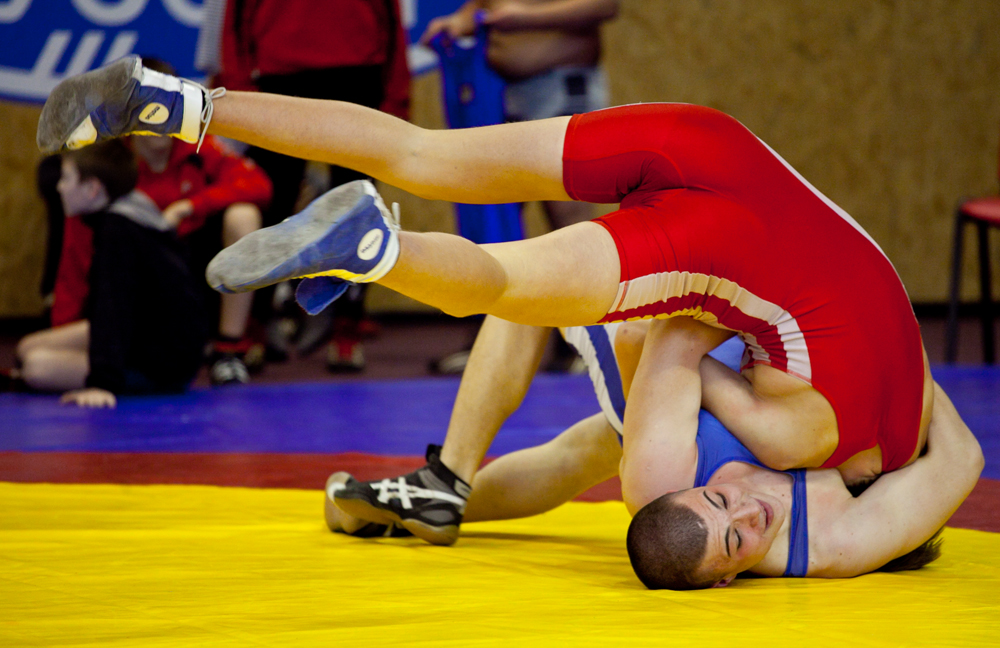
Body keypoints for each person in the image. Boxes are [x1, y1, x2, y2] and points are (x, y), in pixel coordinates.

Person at [36, 58, 934, 496]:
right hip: (730, 244)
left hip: (715, 141)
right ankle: (380, 249)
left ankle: (183, 104)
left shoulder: (916, 398)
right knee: (508, 283)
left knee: (422, 150)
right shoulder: (802, 444)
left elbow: (946, 453)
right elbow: (677, 373)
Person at [324, 315, 983, 589]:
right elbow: (962, 460)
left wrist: (743, 390)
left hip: (686, 382)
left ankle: (446, 479)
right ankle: (413, 500)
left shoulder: (665, 477)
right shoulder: (839, 524)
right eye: (729, 515)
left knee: (527, 293)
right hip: (714, 381)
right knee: (589, 448)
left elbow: (678, 332)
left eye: (728, 524)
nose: (750, 516)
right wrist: (910, 380)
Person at [421, 0, 618, 374]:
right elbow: (485, 6)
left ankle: (588, 343)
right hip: (504, 91)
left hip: (561, 85)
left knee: (569, 219)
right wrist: (460, 21)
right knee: (497, 218)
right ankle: (491, 345)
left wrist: (525, 18)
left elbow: (605, 5)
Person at [217, 0, 410, 370]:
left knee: (358, 211)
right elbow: (235, 20)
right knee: (270, 205)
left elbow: (391, 16)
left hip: (357, 69)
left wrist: (396, 98)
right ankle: (254, 326)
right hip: (279, 74)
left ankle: (346, 329)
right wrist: (238, 90)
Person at [14, 140, 207, 407]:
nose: (59, 187)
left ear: (93, 189)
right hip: (143, 332)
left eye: (66, 179)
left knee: (37, 367)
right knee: (26, 348)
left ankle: (117, 374)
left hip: (161, 364)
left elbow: (114, 306)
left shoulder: (117, 232)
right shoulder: (129, 211)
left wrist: (102, 383)